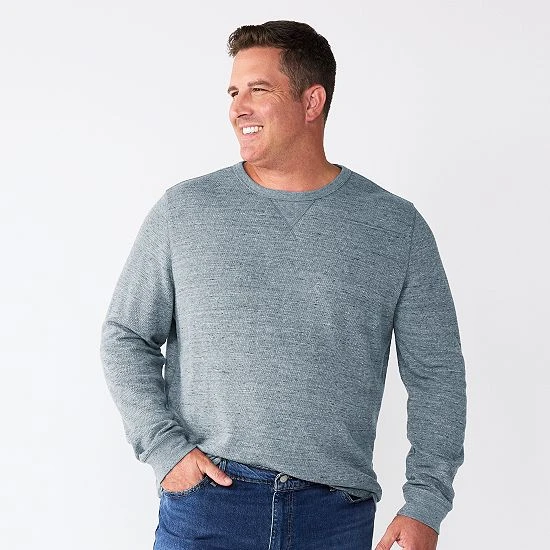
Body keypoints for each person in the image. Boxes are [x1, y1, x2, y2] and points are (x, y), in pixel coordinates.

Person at [100, 20, 466, 550]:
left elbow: (438, 374)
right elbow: (125, 335)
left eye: (259, 90)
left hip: (335, 518)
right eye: (233, 93)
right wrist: (164, 449)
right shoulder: (185, 212)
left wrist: (426, 504)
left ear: (312, 101)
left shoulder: (394, 227)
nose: (238, 108)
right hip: (209, 506)